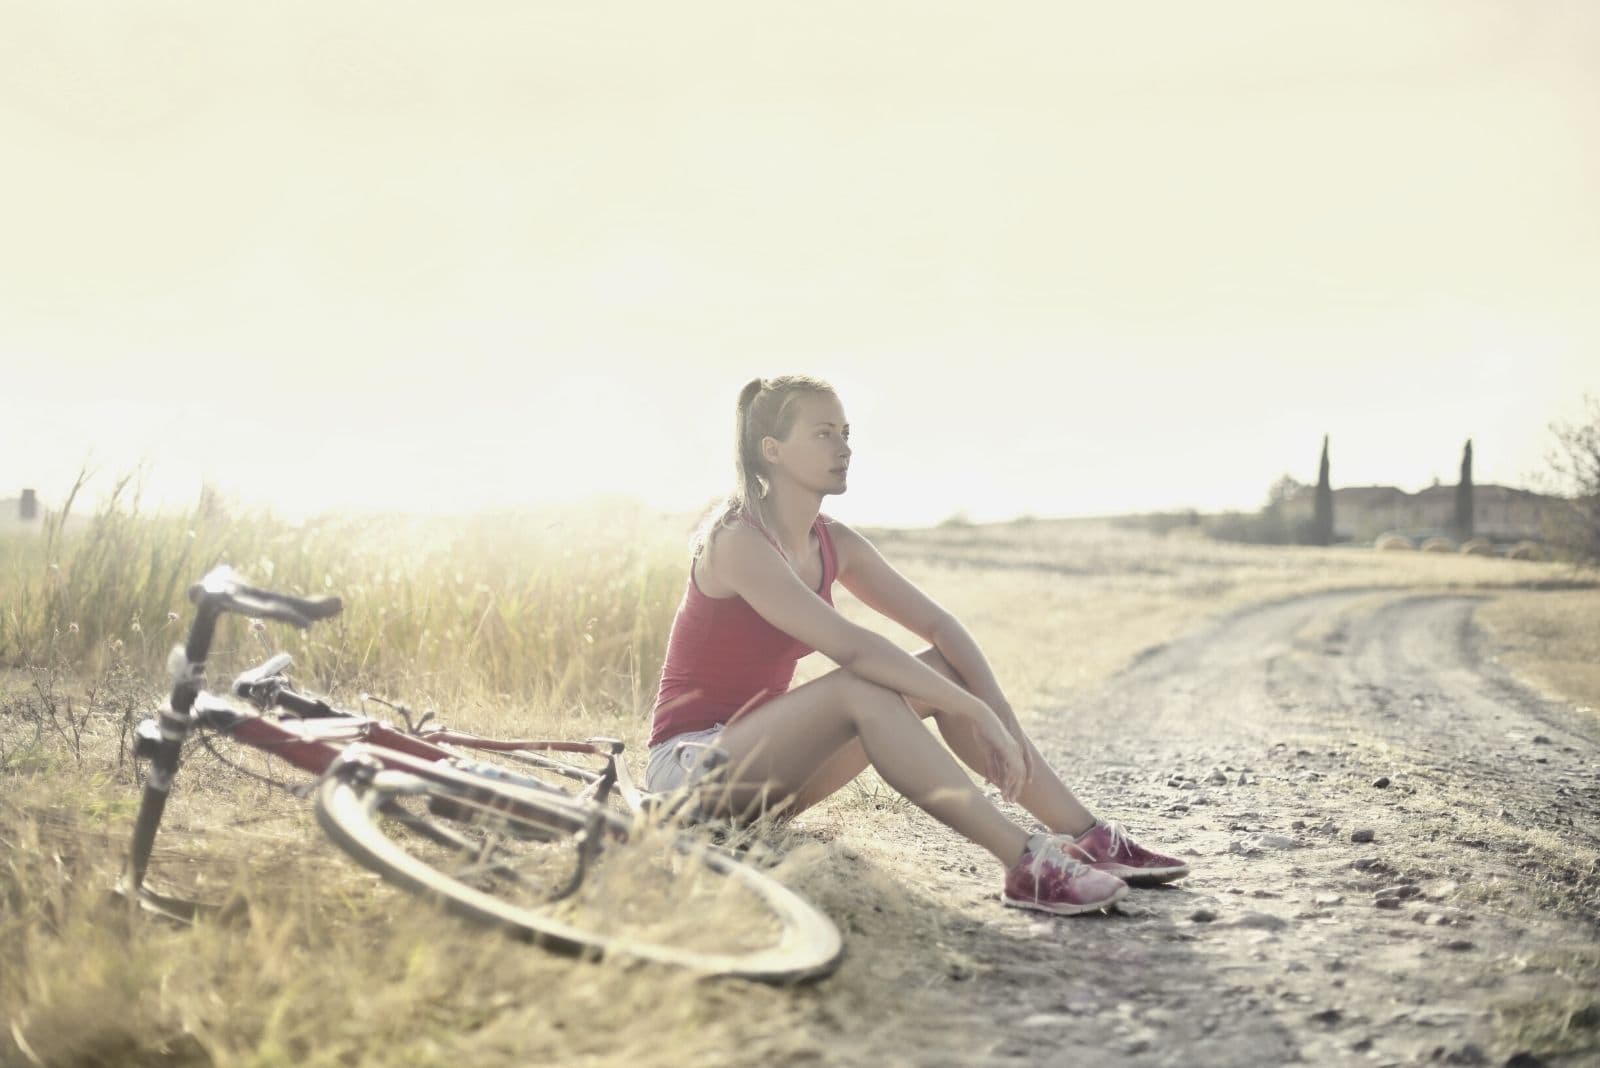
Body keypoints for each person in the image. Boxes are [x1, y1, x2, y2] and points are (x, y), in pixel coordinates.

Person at [645, 375, 1188, 916]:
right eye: (823, 434)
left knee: (944, 670)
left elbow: (941, 627)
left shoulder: (833, 542)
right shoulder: (739, 541)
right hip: (688, 770)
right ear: (773, 450)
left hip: (767, 773)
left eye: (846, 433)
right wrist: (973, 709)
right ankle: (1024, 863)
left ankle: (1088, 836)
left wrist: (994, 713)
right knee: (863, 688)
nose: (844, 449)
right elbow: (854, 649)